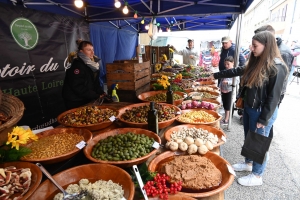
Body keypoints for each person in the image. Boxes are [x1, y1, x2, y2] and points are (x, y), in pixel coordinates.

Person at [209, 31, 288, 186]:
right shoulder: (257, 61)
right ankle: (249, 163)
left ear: (267, 46)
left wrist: (264, 119)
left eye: (255, 45)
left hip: (262, 112)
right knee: (249, 138)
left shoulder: (277, 67)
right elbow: (237, 70)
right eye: (252, 45)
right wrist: (216, 75)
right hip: (250, 107)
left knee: (259, 143)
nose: (252, 48)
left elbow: (274, 97)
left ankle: (257, 175)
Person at [62, 41, 106, 110]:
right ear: (81, 52)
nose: (92, 52)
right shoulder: (77, 66)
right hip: (75, 101)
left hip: (86, 99)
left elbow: (95, 83)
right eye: (88, 50)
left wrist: (102, 93)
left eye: (92, 50)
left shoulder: (93, 65)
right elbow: (78, 87)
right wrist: (96, 95)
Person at [219, 56, 239, 125]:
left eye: (228, 64)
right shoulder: (225, 71)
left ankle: (226, 120)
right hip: (223, 90)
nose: (226, 66)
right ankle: (225, 118)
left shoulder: (235, 71)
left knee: (228, 106)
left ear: (233, 63)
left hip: (229, 91)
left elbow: (236, 82)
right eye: (225, 64)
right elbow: (221, 80)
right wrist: (219, 87)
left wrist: (228, 82)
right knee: (224, 105)